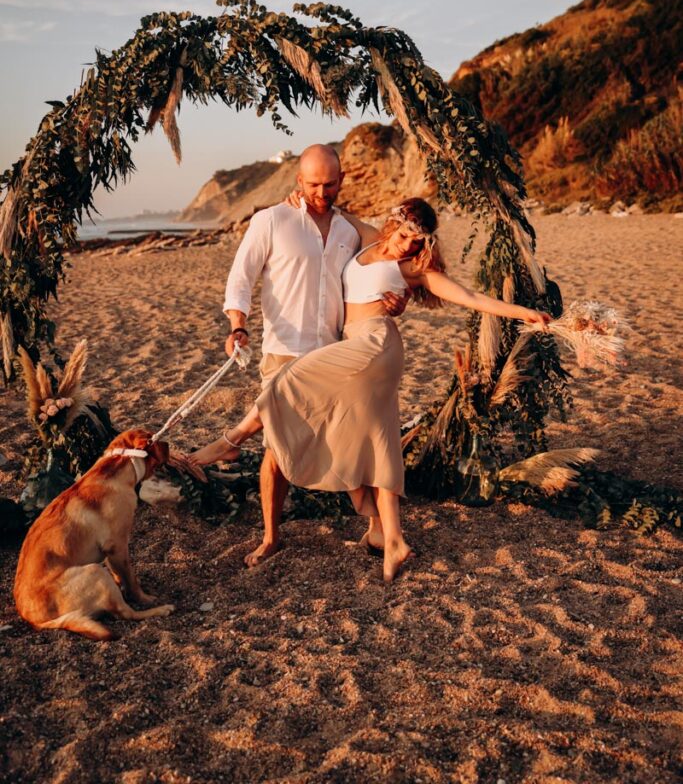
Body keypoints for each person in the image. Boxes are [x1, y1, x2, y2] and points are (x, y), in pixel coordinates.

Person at [189, 196, 551, 583]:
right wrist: (293, 199)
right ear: (393, 224)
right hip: (354, 344)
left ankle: (233, 439)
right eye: (405, 234)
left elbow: (471, 298)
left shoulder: (415, 268)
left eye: (417, 241)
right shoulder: (368, 237)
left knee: (289, 380)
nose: (408, 244)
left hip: (375, 345)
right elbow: (329, 208)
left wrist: (525, 313)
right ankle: (391, 538)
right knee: (377, 440)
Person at [197, 143, 408, 568]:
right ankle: (271, 537)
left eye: (329, 184)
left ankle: (376, 527)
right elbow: (241, 278)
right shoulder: (271, 220)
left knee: (356, 440)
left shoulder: (350, 231)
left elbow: (382, 267)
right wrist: (237, 325)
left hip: (336, 353)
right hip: (284, 352)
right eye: (313, 184)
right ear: (298, 181)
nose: (321, 193)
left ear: (341, 180)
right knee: (277, 450)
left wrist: (396, 301)